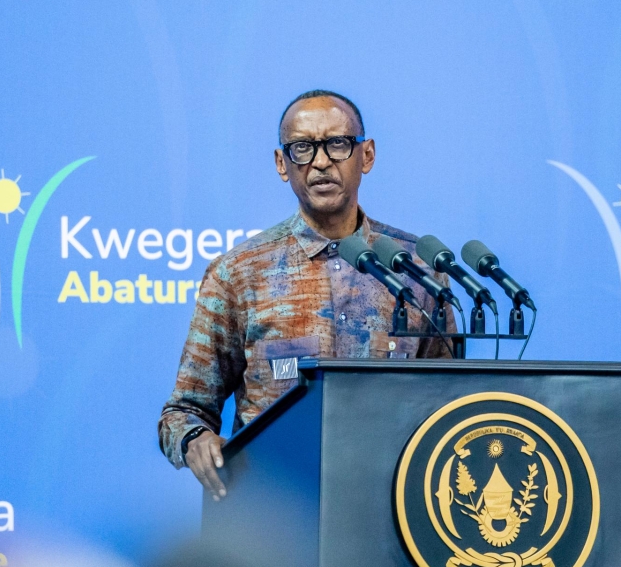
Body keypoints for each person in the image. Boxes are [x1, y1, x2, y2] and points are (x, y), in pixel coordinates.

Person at [158, 89, 454, 499]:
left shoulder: (417, 268)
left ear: (366, 155)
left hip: (391, 504)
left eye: (337, 144)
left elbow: (452, 400)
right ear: (282, 163)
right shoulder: (239, 273)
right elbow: (183, 412)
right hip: (273, 517)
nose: (320, 162)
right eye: (302, 148)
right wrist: (196, 441)